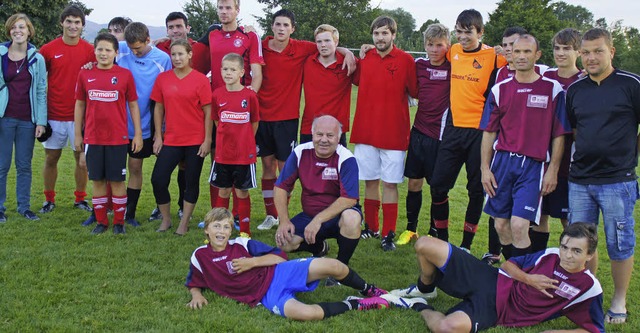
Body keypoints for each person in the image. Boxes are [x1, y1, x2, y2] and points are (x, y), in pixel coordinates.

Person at [386, 222, 604, 332]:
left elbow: (594, 328)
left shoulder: (589, 288)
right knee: (424, 244)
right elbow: (509, 264)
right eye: (565, 247)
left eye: (576, 251)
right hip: (492, 278)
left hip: (499, 310)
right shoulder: (550, 254)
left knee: (447, 328)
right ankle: (426, 289)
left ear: (590, 255)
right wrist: (530, 279)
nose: (566, 255)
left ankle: (420, 306)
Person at [185, 208, 390, 319]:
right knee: (307, 314)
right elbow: (194, 281)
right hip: (265, 295)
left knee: (333, 266)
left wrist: (252, 262)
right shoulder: (200, 256)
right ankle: (357, 304)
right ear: (206, 230)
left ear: (231, 231)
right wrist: (196, 295)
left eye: (226, 227)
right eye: (216, 226)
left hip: (278, 272)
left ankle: (368, 289)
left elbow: (280, 256)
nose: (221, 231)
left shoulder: (242, 244)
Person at [255, 9, 355, 231]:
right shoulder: (262, 46)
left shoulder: (304, 49)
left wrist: (347, 51)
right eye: (277, 24)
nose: (281, 28)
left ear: (293, 29)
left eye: (285, 25)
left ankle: (334, 215)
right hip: (269, 118)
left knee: (292, 171)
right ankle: (273, 215)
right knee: (270, 168)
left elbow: (329, 44)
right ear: (272, 27)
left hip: (292, 120)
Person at [566, 27, 640, 325]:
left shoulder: (631, 84)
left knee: (619, 243)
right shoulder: (575, 90)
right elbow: (574, 130)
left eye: (598, 51)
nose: (591, 57)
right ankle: (587, 292)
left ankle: (619, 299)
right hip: (580, 180)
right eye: (586, 52)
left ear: (611, 51)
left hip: (618, 181)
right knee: (581, 242)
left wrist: (629, 156)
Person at [480, 35, 571, 260]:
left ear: (537, 55)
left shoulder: (553, 89)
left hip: (533, 165)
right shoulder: (499, 90)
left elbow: (559, 135)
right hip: (502, 163)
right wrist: (484, 168)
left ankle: (524, 280)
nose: (521, 56)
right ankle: (514, 272)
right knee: (501, 225)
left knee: (520, 225)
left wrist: (553, 170)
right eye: (517, 51)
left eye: (527, 52)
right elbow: (489, 132)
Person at [427, 9, 507, 252]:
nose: (462, 36)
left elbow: (524, 63)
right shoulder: (453, 52)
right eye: (459, 31)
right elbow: (430, 56)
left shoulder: (495, 57)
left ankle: (465, 245)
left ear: (480, 32)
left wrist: (507, 51)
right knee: (438, 185)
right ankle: (441, 240)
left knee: (476, 190)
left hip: (480, 133)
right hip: (453, 129)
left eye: (468, 32)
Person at [351, 16, 417, 251]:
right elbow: (353, 77)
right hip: (366, 130)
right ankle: (372, 227)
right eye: (376, 33)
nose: (380, 38)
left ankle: (389, 233)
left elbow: (415, 91)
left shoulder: (406, 60)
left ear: (393, 35)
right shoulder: (365, 58)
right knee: (370, 181)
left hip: (394, 134)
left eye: (384, 33)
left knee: (390, 184)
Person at [274, 115, 362, 285]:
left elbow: (349, 199)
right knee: (284, 242)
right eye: (319, 134)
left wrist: (318, 220)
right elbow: (281, 187)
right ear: (312, 134)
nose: (324, 140)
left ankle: (340, 268)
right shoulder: (300, 152)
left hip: (339, 217)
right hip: (310, 215)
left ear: (338, 138)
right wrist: (284, 221)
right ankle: (319, 248)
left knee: (351, 219)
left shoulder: (346, 158)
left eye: (330, 136)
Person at [197, 0, 264, 221]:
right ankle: (216, 217)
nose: (224, 12)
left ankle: (237, 216)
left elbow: (257, 72)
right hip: (218, 106)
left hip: (239, 110)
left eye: (229, 8)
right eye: (221, 8)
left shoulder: (249, 36)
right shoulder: (212, 35)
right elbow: (192, 51)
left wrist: (245, 98)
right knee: (218, 163)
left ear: (237, 11)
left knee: (239, 164)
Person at [73, 33, 142, 235]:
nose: (103, 53)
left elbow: (133, 105)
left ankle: (119, 222)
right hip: (93, 138)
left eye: (108, 50)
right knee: (98, 181)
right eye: (100, 49)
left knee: (117, 181)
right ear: (94, 51)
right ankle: (101, 222)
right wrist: (78, 134)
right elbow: (79, 105)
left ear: (116, 53)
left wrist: (137, 133)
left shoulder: (124, 75)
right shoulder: (85, 74)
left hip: (117, 138)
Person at [150, 11, 210, 223]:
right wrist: (158, 135)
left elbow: (208, 111)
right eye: (174, 55)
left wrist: (207, 140)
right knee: (158, 179)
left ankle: (184, 220)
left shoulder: (201, 80)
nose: (177, 58)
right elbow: (158, 108)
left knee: (190, 181)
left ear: (190, 54)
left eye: (181, 55)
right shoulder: (163, 78)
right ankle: (165, 217)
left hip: (195, 140)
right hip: (171, 139)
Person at [39, 5, 95, 215]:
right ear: (62, 22)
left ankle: (80, 199)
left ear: (82, 25)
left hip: (80, 117)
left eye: (77, 22)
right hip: (54, 115)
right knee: (51, 158)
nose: (73, 26)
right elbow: (37, 81)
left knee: (81, 161)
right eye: (69, 21)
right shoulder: (48, 49)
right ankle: (49, 199)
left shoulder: (90, 51)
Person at [398, 23, 450, 246]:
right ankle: (411, 229)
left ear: (448, 45)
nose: (435, 49)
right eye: (430, 44)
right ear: (424, 45)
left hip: (442, 137)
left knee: (438, 189)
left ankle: (434, 231)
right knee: (414, 184)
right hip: (418, 132)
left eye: (439, 45)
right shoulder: (418, 65)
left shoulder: (454, 67)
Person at [532, 28, 583, 253]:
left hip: (569, 164)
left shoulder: (583, 81)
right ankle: (538, 265)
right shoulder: (545, 77)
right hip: (539, 161)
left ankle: (577, 272)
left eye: (567, 48)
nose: (561, 53)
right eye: (557, 48)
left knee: (569, 222)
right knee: (538, 216)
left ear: (578, 51)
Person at [117, 22, 172, 227]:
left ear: (148, 40)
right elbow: (98, 52)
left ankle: (129, 213)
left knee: (135, 166)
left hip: (144, 125)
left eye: (138, 48)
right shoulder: (121, 50)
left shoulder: (162, 59)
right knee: (114, 171)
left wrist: (160, 132)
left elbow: (162, 98)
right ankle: (110, 211)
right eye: (131, 48)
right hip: (117, 125)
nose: (134, 52)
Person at [0, 13, 47, 222]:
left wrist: (41, 122)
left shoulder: (37, 58)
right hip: (4, 118)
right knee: (1, 165)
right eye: (13, 27)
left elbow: (40, 91)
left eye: (22, 27)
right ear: (9, 31)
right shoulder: (0, 54)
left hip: (28, 120)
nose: (17, 30)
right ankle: (0, 208)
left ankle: (24, 207)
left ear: (29, 31)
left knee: (24, 166)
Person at [208, 53, 259, 237]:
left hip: (244, 154)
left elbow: (254, 122)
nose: (228, 73)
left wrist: (243, 139)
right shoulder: (217, 94)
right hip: (223, 154)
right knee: (223, 191)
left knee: (242, 192)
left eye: (232, 69)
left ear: (241, 72)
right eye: (225, 69)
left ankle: (244, 231)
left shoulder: (249, 96)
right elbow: (217, 121)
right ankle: (220, 230)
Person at [298, 24, 352, 148]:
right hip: (310, 128)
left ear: (336, 41)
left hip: (336, 129)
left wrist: (351, 52)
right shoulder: (307, 62)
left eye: (327, 40)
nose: (323, 45)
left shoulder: (348, 63)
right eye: (319, 41)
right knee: (308, 167)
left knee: (337, 167)